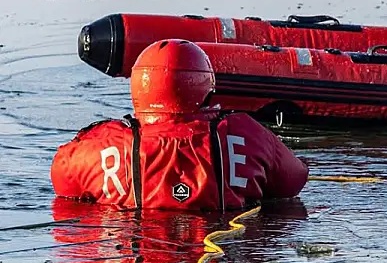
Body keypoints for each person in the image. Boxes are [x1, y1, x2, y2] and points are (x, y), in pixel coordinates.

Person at [52, 39, 308, 210]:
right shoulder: (247, 134)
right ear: (205, 85)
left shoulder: (100, 145)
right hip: (217, 255)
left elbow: (62, 183)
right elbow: (294, 180)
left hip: (134, 250)